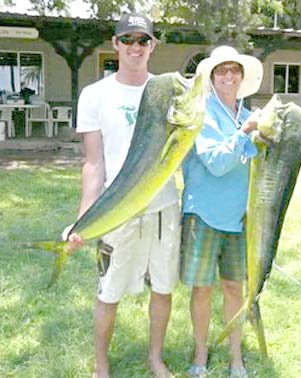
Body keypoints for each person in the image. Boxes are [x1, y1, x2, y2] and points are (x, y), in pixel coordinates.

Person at [64, 12, 180, 378]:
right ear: (114, 44)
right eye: (127, 39)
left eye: (143, 40)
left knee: (163, 289)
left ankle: (155, 358)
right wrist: (83, 219)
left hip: (164, 210)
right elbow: (94, 164)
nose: (135, 47)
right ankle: (101, 364)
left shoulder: (168, 92)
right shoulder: (94, 95)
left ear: (153, 46)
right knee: (108, 292)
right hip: (119, 210)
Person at [180, 46, 264, 378]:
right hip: (203, 214)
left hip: (240, 219)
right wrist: (245, 134)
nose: (228, 76)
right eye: (220, 71)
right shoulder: (201, 112)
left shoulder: (249, 117)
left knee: (234, 288)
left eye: (234, 70)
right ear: (211, 78)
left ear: (242, 77)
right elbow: (215, 163)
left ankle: (235, 357)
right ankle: (200, 355)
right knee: (202, 289)